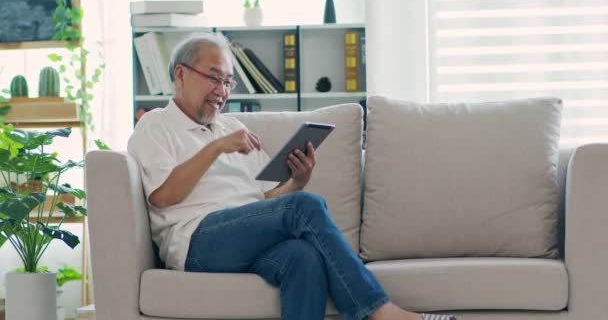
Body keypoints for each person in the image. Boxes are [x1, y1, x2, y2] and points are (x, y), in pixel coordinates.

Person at [127, 33, 456, 320]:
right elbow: (162, 195)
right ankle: (380, 311)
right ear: (181, 75)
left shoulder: (233, 128)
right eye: (213, 78)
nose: (222, 90)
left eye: (228, 82)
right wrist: (217, 147)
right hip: (196, 241)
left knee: (304, 257)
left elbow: (264, 203)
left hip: (244, 235)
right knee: (303, 206)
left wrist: (297, 181)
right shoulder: (155, 124)